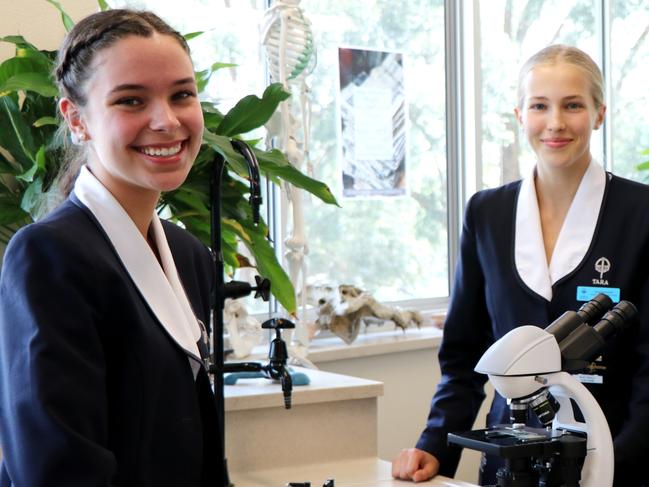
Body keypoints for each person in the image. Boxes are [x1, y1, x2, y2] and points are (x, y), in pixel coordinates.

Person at [392, 44, 649, 486]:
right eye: (539, 106)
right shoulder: (486, 215)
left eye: (572, 105)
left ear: (599, 113)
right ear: (519, 114)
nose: (555, 123)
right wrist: (434, 445)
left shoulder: (641, 212)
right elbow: (462, 356)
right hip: (509, 463)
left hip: (618, 460)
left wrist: (611, 467)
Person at [0, 9, 221, 486]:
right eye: (131, 101)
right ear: (76, 119)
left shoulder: (188, 256)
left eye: (182, 94)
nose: (166, 121)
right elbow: (54, 470)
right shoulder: (47, 257)